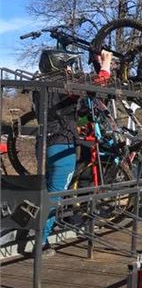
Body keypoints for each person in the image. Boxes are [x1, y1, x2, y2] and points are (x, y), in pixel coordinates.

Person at [38, 49, 112, 255]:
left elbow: (70, 109)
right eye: (68, 66)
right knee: (55, 196)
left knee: (45, 191)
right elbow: (94, 85)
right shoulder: (62, 84)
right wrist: (105, 66)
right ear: (59, 66)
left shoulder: (43, 85)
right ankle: (41, 243)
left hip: (44, 142)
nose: (71, 70)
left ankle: (41, 233)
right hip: (62, 146)